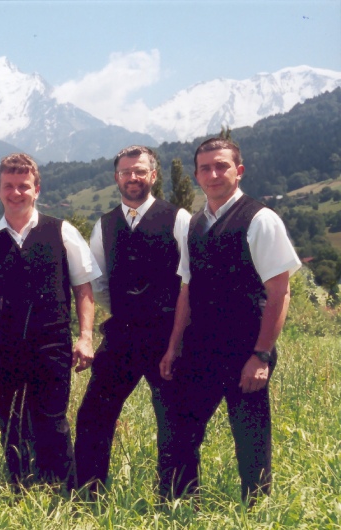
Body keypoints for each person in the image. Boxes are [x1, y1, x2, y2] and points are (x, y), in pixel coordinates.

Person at [159, 138, 301, 503]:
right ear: (196, 176)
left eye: (221, 166)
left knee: (251, 439)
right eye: (205, 168)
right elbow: (186, 291)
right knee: (181, 433)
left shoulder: (260, 219)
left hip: (245, 350)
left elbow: (279, 292)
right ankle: (178, 509)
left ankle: (256, 514)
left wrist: (262, 355)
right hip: (199, 349)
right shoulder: (193, 224)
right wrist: (174, 347)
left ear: (239, 171)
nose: (213, 174)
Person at [0, 153, 100, 490]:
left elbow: (84, 289)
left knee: (52, 423)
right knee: (11, 424)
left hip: (51, 345)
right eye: (9, 186)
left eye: (24, 186)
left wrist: (84, 336)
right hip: (5, 347)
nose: (16, 193)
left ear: (37, 189)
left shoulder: (61, 232)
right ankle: (19, 493)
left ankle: (63, 494)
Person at [73, 146, 191, 496]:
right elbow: (99, 283)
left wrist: (177, 339)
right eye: (126, 172)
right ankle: (88, 493)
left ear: (153, 176)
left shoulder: (178, 218)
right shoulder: (104, 224)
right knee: (93, 414)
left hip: (168, 337)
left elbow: (191, 279)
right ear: (116, 178)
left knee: (174, 420)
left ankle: (177, 498)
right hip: (122, 335)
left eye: (140, 171)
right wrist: (124, 312)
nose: (133, 178)